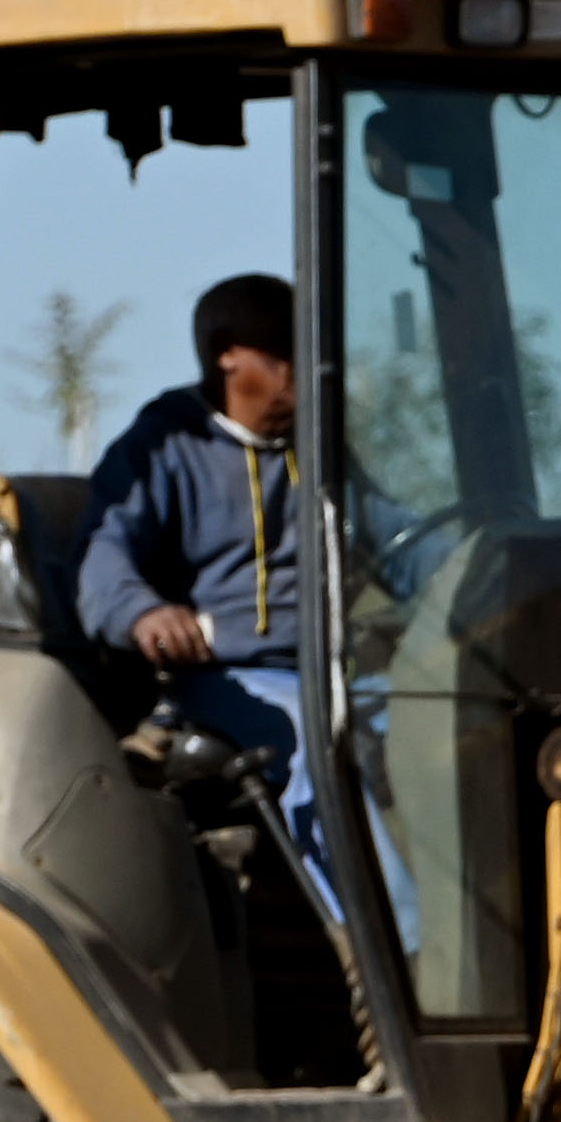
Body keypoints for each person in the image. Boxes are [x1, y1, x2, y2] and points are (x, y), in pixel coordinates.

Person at [75, 273, 351, 914]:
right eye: (282, 355)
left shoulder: (322, 453)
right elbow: (104, 557)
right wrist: (145, 612)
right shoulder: (168, 445)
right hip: (228, 678)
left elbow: (407, 541)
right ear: (228, 355)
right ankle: (386, 953)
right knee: (329, 739)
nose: (299, 372)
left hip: (331, 666)